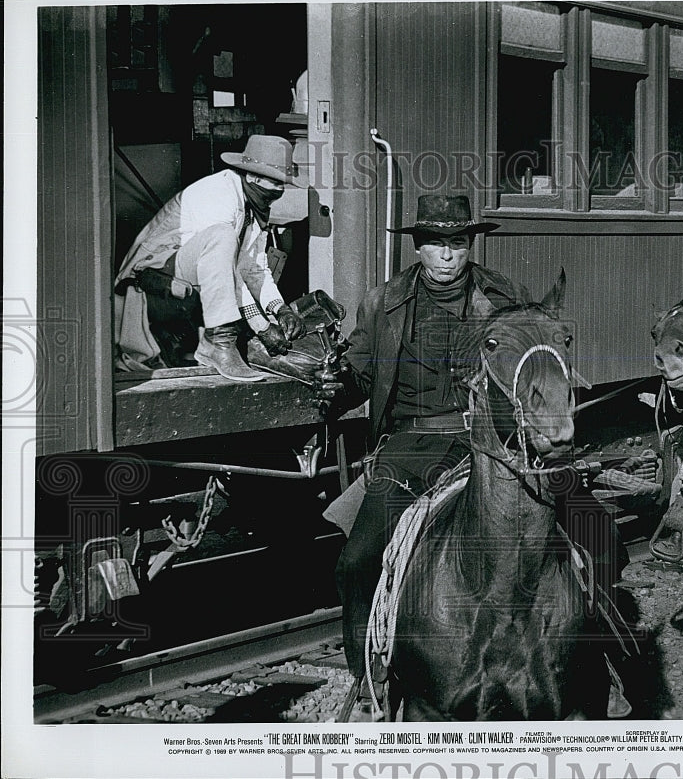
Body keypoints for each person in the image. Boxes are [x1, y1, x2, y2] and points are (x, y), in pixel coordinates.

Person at [313, 194, 531, 687]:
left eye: (457, 243)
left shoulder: (504, 297)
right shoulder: (384, 303)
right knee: (358, 560)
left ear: (470, 245)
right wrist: (338, 386)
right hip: (410, 448)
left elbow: (528, 369)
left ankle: (605, 659)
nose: (448, 256)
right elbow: (362, 378)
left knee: (591, 533)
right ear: (419, 248)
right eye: (437, 245)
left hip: (490, 443)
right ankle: (369, 679)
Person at [114, 134, 305, 381]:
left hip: (186, 285)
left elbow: (254, 268)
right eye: (275, 183)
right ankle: (219, 343)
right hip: (151, 284)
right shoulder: (218, 193)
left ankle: (214, 342)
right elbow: (229, 271)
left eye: (283, 184)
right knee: (222, 236)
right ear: (252, 176)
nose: (280, 190)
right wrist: (262, 326)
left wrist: (281, 310)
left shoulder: (253, 205)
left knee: (227, 245)